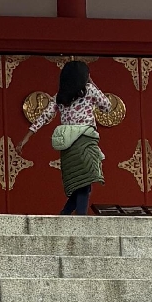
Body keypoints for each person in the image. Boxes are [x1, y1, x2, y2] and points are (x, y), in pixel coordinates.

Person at [52, 60, 108, 217]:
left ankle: (66, 213)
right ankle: (80, 216)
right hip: (85, 139)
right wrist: (93, 83)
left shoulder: (60, 96)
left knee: (81, 181)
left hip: (67, 145)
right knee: (85, 180)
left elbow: (44, 117)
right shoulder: (89, 90)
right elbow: (107, 106)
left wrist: (26, 137)